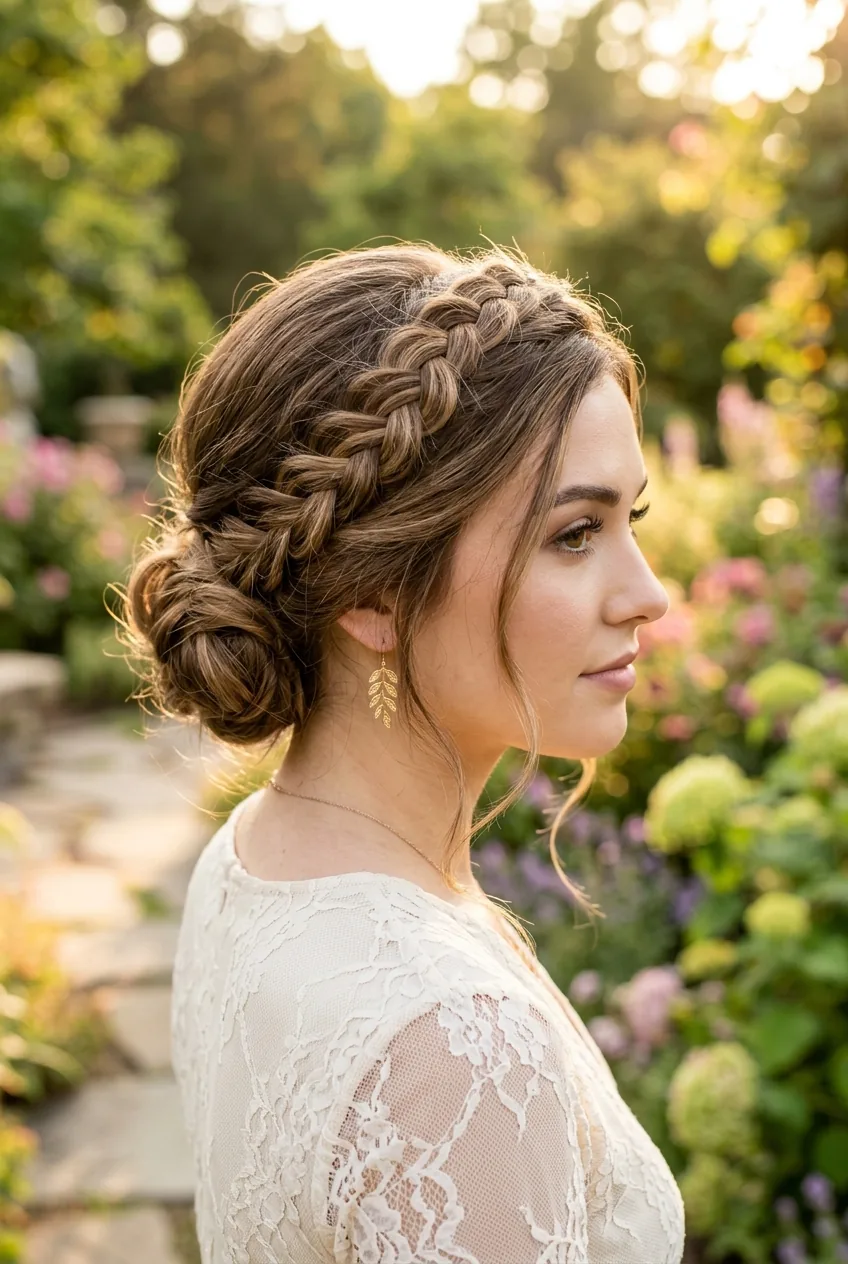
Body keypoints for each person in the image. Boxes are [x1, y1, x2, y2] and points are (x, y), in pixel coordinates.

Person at [121, 244, 683, 1263]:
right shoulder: (452, 1051)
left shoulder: (256, 856)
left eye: (627, 518)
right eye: (573, 533)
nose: (646, 593)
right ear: (371, 594)